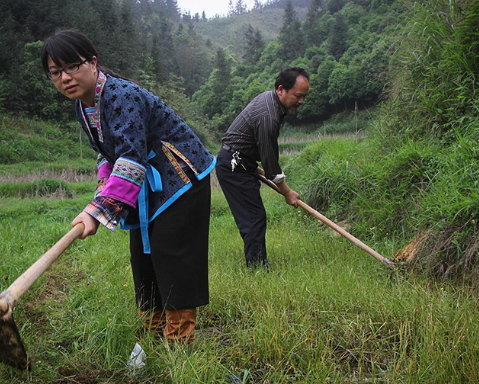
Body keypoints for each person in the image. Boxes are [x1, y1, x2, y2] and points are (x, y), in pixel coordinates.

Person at [41, 29, 216, 344]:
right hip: (147, 187)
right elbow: (108, 152)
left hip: (180, 179)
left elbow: (131, 159)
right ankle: (152, 332)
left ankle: (180, 341)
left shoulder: (122, 95)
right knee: (143, 257)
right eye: (55, 73)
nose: (65, 78)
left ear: (93, 63)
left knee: (172, 255)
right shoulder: (85, 105)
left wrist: (98, 211)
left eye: (72, 67)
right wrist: (102, 193)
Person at [215, 67, 309, 268]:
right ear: (281, 89)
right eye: (298, 96)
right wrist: (288, 193)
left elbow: (252, 143)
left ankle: (257, 263)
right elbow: (271, 165)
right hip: (233, 164)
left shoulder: (270, 99)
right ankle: (257, 268)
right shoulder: (269, 115)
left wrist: (251, 164)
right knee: (253, 217)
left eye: (304, 97)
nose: (301, 101)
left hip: (239, 160)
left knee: (253, 216)